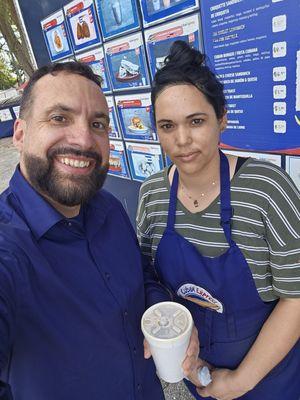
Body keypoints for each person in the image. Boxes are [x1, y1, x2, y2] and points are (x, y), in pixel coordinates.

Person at [0, 61, 198, 400]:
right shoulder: (9, 249)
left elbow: (141, 275)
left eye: (98, 124)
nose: (83, 139)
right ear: (20, 133)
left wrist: (163, 311)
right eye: (59, 118)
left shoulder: (107, 207)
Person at [136, 41, 300, 400]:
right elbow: (149, 277)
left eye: (196, 121)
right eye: (167, 126)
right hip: (197, 377)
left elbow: (297, 297)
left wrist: (239, 381)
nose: (182, 140)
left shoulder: (266, 189)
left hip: (270, 380)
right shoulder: (152, 195)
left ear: (221, 118)